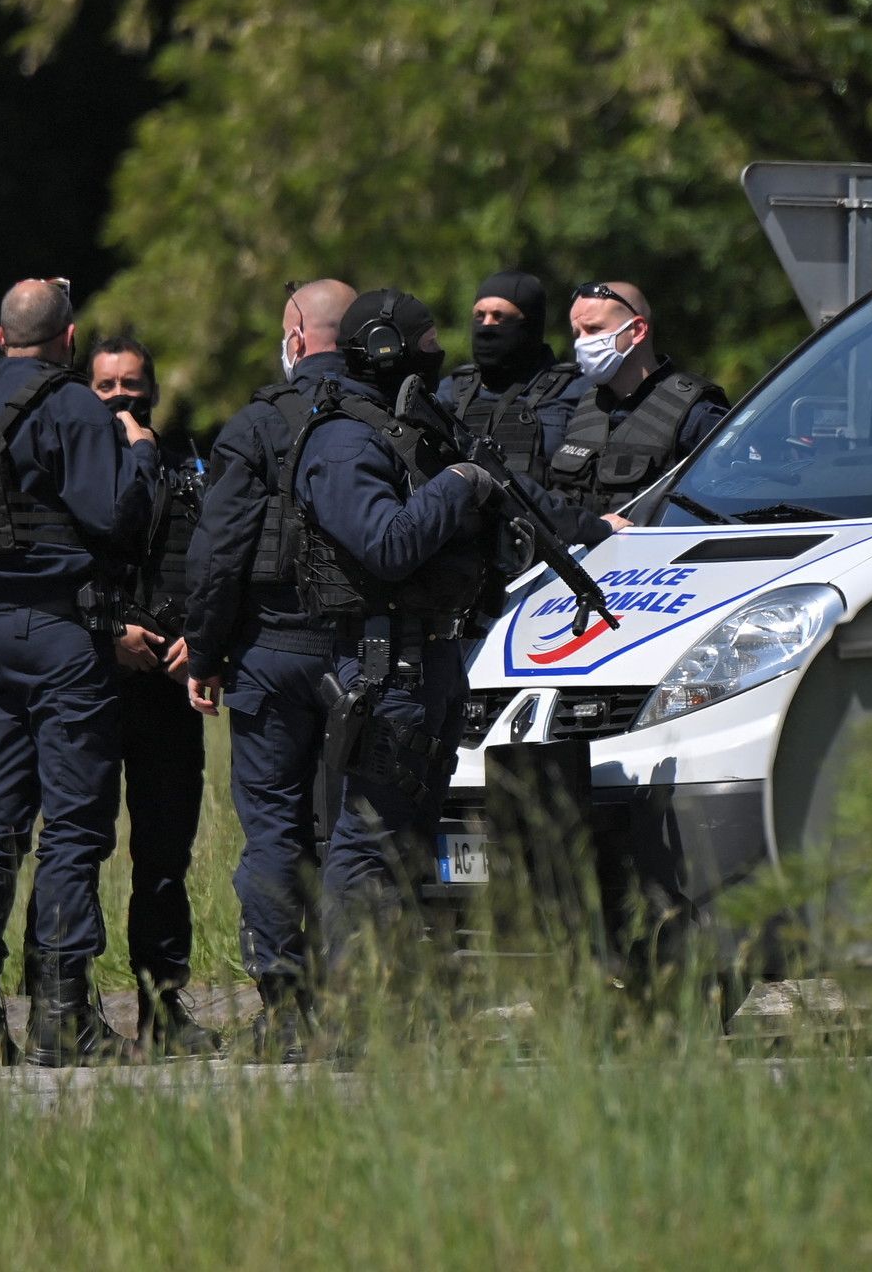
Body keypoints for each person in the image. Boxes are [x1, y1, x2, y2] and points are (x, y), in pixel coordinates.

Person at [289, 289, 616, 996]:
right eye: (429, 340)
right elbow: (386, 545)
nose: (442, 352)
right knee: (369, 837)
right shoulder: (343, 441)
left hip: (435, 659)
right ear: (386, 348)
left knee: (411, 838)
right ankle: (356, 1011)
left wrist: (598, 531)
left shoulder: (415, 424)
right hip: (382, 668)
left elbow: (508, 487)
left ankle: (403, 999)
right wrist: (457, 484)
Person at [0, 278, 159, 1067]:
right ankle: (62, 1015)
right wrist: (141, 455)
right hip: (62, 632)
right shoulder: (74, 410)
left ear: (0, 338)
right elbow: (114, 516)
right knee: (75, 822)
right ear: (69, 339)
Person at [180, 278, 355, 1060]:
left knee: (275, 831)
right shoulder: (389, 415)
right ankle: (360, 1004)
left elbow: (219, 552)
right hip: (367, 655)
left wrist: (204, 651)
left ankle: (286, 1009)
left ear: (295, 337)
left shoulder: (256, 425)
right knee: (356, 832)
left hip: (273, 652)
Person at [85, 332, 222, 1056]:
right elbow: (53, 569)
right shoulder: (70, 469)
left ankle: (162, 1009)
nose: (120, 399)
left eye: (131, 385)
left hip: (170, 686)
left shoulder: (188, 468)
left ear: (154, 389)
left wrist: (201, 642)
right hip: (93, 684)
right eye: (105, 386)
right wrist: (109, 633)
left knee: (164, 857)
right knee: (76, 850)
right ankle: (67, 1007)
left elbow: (217, 564)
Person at [547, 280, 729, 514]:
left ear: (638, 330)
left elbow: (723, 505)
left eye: (593, 329)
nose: (582, 342)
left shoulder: (695, 412)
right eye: (577, 333)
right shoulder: (585, 405)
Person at [436, 269, 584, 485]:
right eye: (480, 316)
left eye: (500, 316)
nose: (486, 326)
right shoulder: (450, 391)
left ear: (531, 324)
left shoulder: (574, 391)